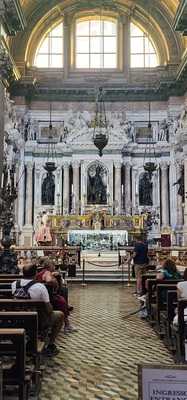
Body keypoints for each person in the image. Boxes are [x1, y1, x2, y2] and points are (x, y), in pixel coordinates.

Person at [11, 263, 64, 356]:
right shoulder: (40, 287)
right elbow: (49, 309)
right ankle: (51, 345)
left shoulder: (14, 284)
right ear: (35, 273)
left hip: (18, 319)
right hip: (37, 320)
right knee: (60, 315)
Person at [36, 258, 77, 334]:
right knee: (62, 301)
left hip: (41, 296)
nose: (54, 267)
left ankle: (66, 324)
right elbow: (48, 281)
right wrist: (54, 281)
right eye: (53, 265)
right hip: (48, 297)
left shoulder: (40, 272)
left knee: (62, 297)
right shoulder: (47, 272)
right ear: (50, 266)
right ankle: (67, 325)